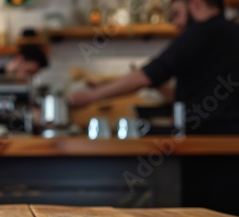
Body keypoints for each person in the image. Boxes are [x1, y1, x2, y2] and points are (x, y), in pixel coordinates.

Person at [70, 0, 239, 134]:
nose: (175, 23)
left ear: (196, 4)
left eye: (176, 14)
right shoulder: (232, 33)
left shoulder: (200, 32)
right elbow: (198, 99)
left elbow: (145, 75)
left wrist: (91, 96)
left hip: (205, 143)